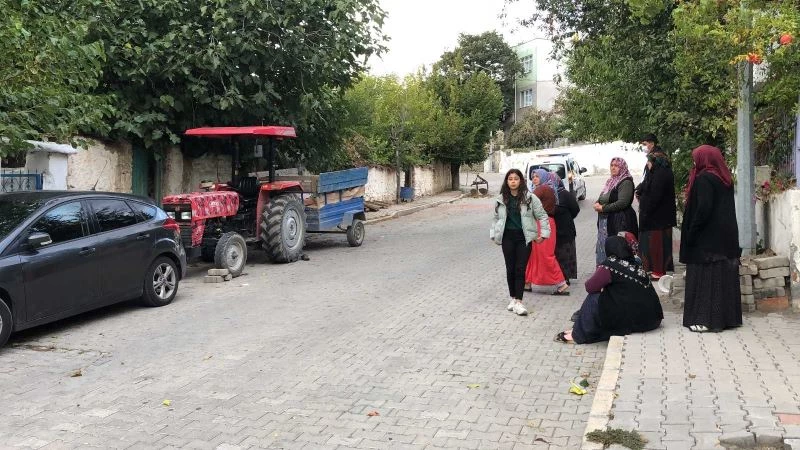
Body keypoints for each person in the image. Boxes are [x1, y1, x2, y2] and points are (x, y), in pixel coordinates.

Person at [555, 235, 663, 344]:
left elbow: (590, 287)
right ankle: (578, 328)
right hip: (653, 319)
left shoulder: (610, 264)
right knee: (607, 296)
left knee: (594, 297)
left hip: (637, 320)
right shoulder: (635, 262)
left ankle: (578, 334)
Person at [680, 145, 742, 333]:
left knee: (705, 280)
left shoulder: (704, 179)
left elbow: (703, 209)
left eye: (695, 158)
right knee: (722, 279)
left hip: (706, 241)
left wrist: (691, 231)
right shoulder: (724, 179)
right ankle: (727, 319)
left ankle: (705, 320)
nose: (693, 162)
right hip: (724, 239)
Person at [491, 169, 551, 316]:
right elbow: (496, 218)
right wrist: (494, 234)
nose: (513, 181)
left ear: (521, 181)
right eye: (510, 179)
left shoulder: (530, 198)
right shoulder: (501, 199)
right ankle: (512, 298)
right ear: (506, 181)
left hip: (523, 238)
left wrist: (544, 234)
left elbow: (542, 216)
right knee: (510, 269)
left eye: (516, 179)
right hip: (507, 238)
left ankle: (519, 301)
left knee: (520, 268)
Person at [638, 151, 677, 280]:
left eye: (649, 162)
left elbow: (654, 197)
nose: (647, 164)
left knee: (656, 245)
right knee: (657, 245)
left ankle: (658, 271)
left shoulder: (660, 175)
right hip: (660, 218)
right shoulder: (661, 172)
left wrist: (643, 202)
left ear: (655, 162)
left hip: (658, 219)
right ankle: (657, 270)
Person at [526, 184, 570, 295]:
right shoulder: (548, 188)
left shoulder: (543, 189)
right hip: (543, 222)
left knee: (545, 255)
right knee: (532, 254)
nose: (534, 178)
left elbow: (530, 203)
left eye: (537, 176)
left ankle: (561, 283)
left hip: (542, 223)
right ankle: (527, 282)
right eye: (533, 176)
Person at [594, 157, 638, 265]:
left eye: (616, 166)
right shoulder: (611, 181)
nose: (613, 168)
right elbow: (603, 196)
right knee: (607, 247)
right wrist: (597, 203)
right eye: (612, 165)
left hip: (621, 221)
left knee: (619, 248)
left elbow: (623, 202)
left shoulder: (626, 182)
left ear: (622, 167)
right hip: (607, 220)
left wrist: (603, 208)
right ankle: (606, 271)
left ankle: (619, 273)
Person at [545, 171, 580, 283]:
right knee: (557, 254)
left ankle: (565, 278)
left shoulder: (564, 194)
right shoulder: (547, 195)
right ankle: (559, 278)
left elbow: (575, 209)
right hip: (554, 230)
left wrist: (567, 218)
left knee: (565, 254)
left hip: (565, 230)